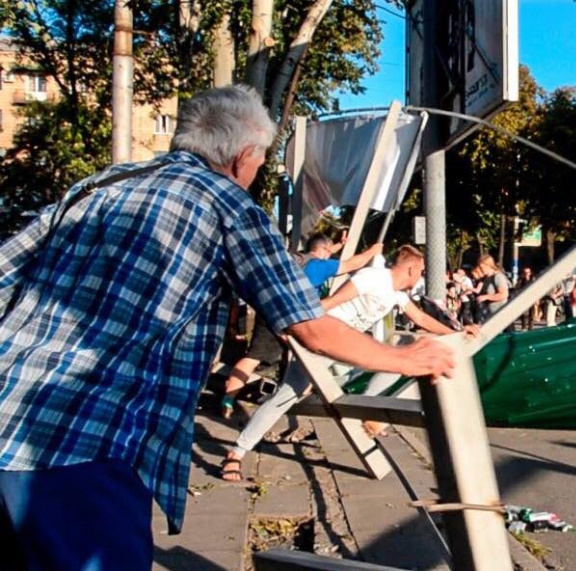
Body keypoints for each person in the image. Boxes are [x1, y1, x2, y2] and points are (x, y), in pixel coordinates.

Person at [0, 85, 453, 570]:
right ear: (242, 157)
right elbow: (307, 324)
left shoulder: (98, 186)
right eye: (259, 165)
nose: (255, 176)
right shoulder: (229, 207)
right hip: (83, 447)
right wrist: (408, 358)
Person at [221, 245, 478, 480]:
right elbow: (328, 304)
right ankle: (236, 453)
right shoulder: (372, 278)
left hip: (347, 353)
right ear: (410, 267)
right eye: (420, 271)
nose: (420, 277)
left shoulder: (397, 296)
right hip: (324, 344)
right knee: (285, 397)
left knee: (400, 360)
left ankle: (367, 411)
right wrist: (293, 329)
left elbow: (421, 319)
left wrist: (457, 333)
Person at [219, 234, 383, 418]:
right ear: (322, 251)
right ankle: (296, 401)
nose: (331, 256)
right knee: (311, 356)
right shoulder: (320, 266)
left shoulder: (297, 260)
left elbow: (322, 249)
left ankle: (228, 398)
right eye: (329, 252)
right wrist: (372, 251)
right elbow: (352, 264)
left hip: (269, 310)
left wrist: (337, 245)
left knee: (254, 357)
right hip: (294, 318)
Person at [475, 254, 510, 323]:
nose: (480, 269)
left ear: (488, 265)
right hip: (488, 315)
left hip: (499, 315)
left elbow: (504, 294)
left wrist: (486, 297)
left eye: (481, 267)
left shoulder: (498, 277)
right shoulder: (485, 279)